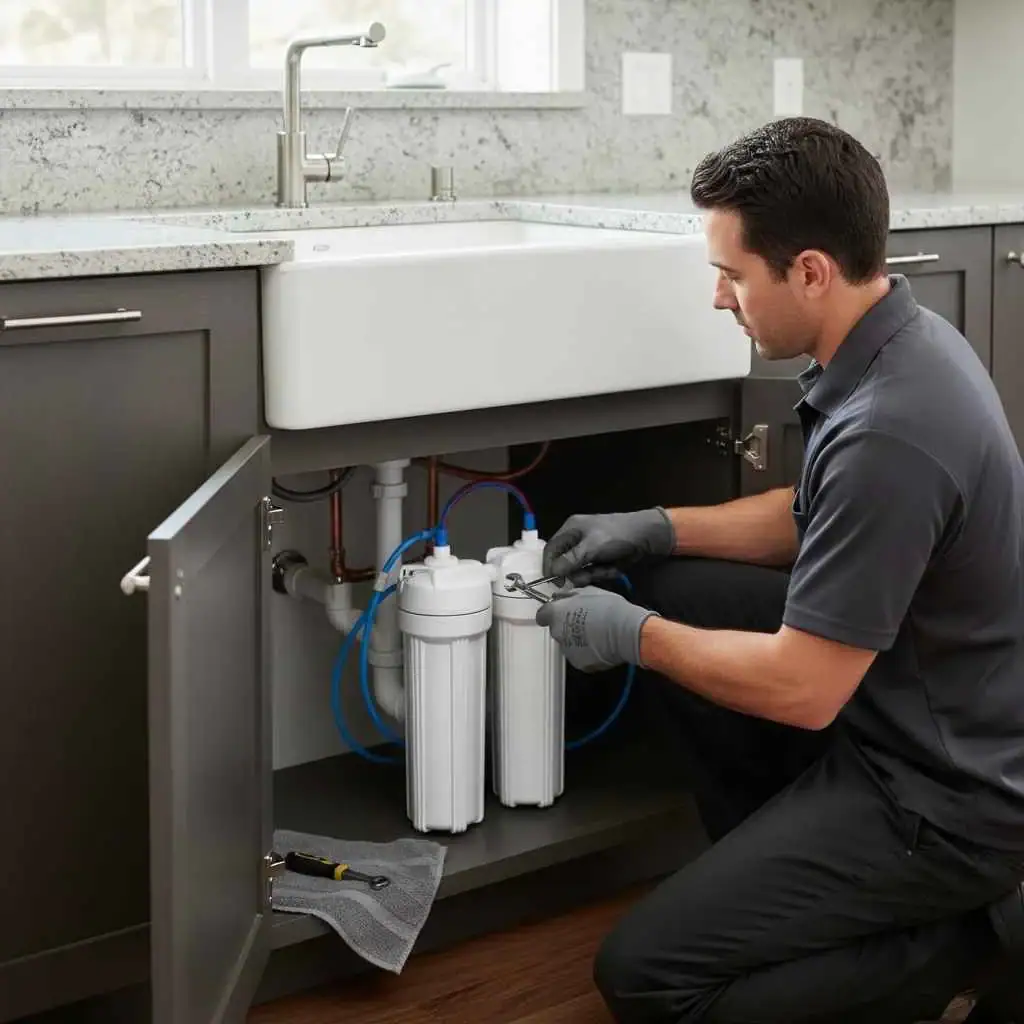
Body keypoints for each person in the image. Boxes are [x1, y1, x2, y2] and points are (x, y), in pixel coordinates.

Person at [535, 116, 1024, 1024]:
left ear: (809, 270)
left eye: (732, 274)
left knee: (645, 976)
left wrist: (630, 638)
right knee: (675, 585)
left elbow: (803, 689)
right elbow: (815, 519)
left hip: (945, 801)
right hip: (918, 711)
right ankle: (795, 886)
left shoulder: (892, 431)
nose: (720, 297)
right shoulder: (904, 344)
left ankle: (971, 941)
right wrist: (655, 528)